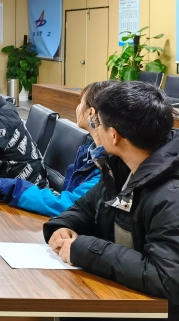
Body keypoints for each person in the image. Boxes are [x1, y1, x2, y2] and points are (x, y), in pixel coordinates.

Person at [45, 82, 179, 319]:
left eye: (98, 124)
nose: (95, 129)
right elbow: (86, 208)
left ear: (114, 136)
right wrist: (64, 226)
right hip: (123, 297)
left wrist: (87, 250)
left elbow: (166, 277)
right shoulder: (120, 167)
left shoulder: (171, 194)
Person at [0, 81, 111, 215]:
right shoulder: (89, 151)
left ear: (91, 113)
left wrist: (14, 188)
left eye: (80, 103)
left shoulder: (108, 167)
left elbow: (70, 205)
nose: (78, 107)